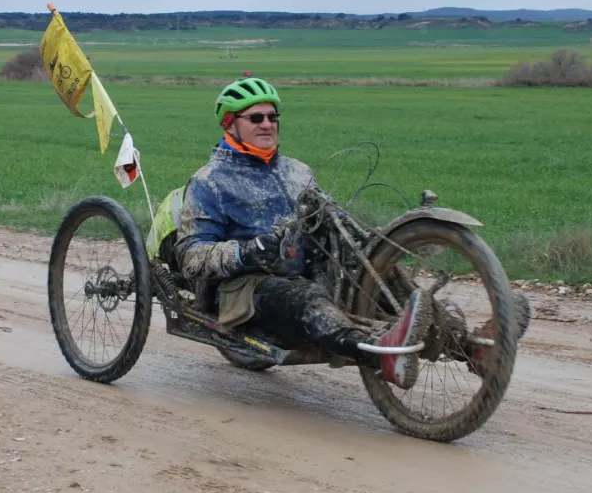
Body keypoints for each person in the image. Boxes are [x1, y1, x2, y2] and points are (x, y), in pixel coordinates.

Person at [174, 76, 433, 387]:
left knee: (376, 272)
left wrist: (375, 244)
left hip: (308, 269)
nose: (267, 124)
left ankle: (465, 343)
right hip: (245, 287)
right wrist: (249, 251)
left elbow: (329, 223)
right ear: (230, 124)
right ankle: (381, 356)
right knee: (303, 297)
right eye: (256, 118)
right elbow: (190, 256)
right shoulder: (209, 182)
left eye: (273, 117)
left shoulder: (298, 171)